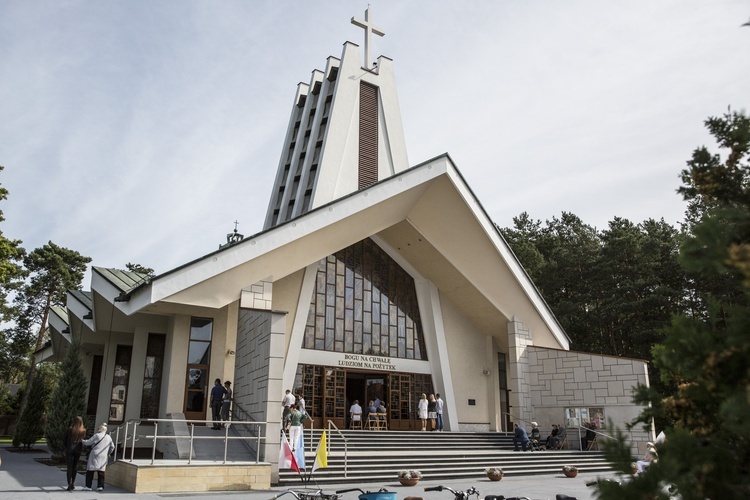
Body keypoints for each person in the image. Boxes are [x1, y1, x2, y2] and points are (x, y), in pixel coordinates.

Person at [81, 423, 114, 492]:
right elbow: (112, 447)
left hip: (95, 455)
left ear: (101, 429)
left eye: (99, 428)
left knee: (90, 471)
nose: (98, 429)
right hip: (103, 456)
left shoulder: (96, 436)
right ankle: (100, 486)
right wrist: (108, 453)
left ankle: (88, 486)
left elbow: (88, 442)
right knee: (101, 471)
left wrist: (82, 440)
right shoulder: (108, 437)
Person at [64, 416, 86, 490]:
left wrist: (66, 447)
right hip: (78, 449)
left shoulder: (70, 429)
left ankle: (69, 484)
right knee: (75, 466)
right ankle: (73, 483)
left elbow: (65, 439)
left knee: (69, 467)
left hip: (70, 449)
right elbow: (83, 441)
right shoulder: (83, 430)